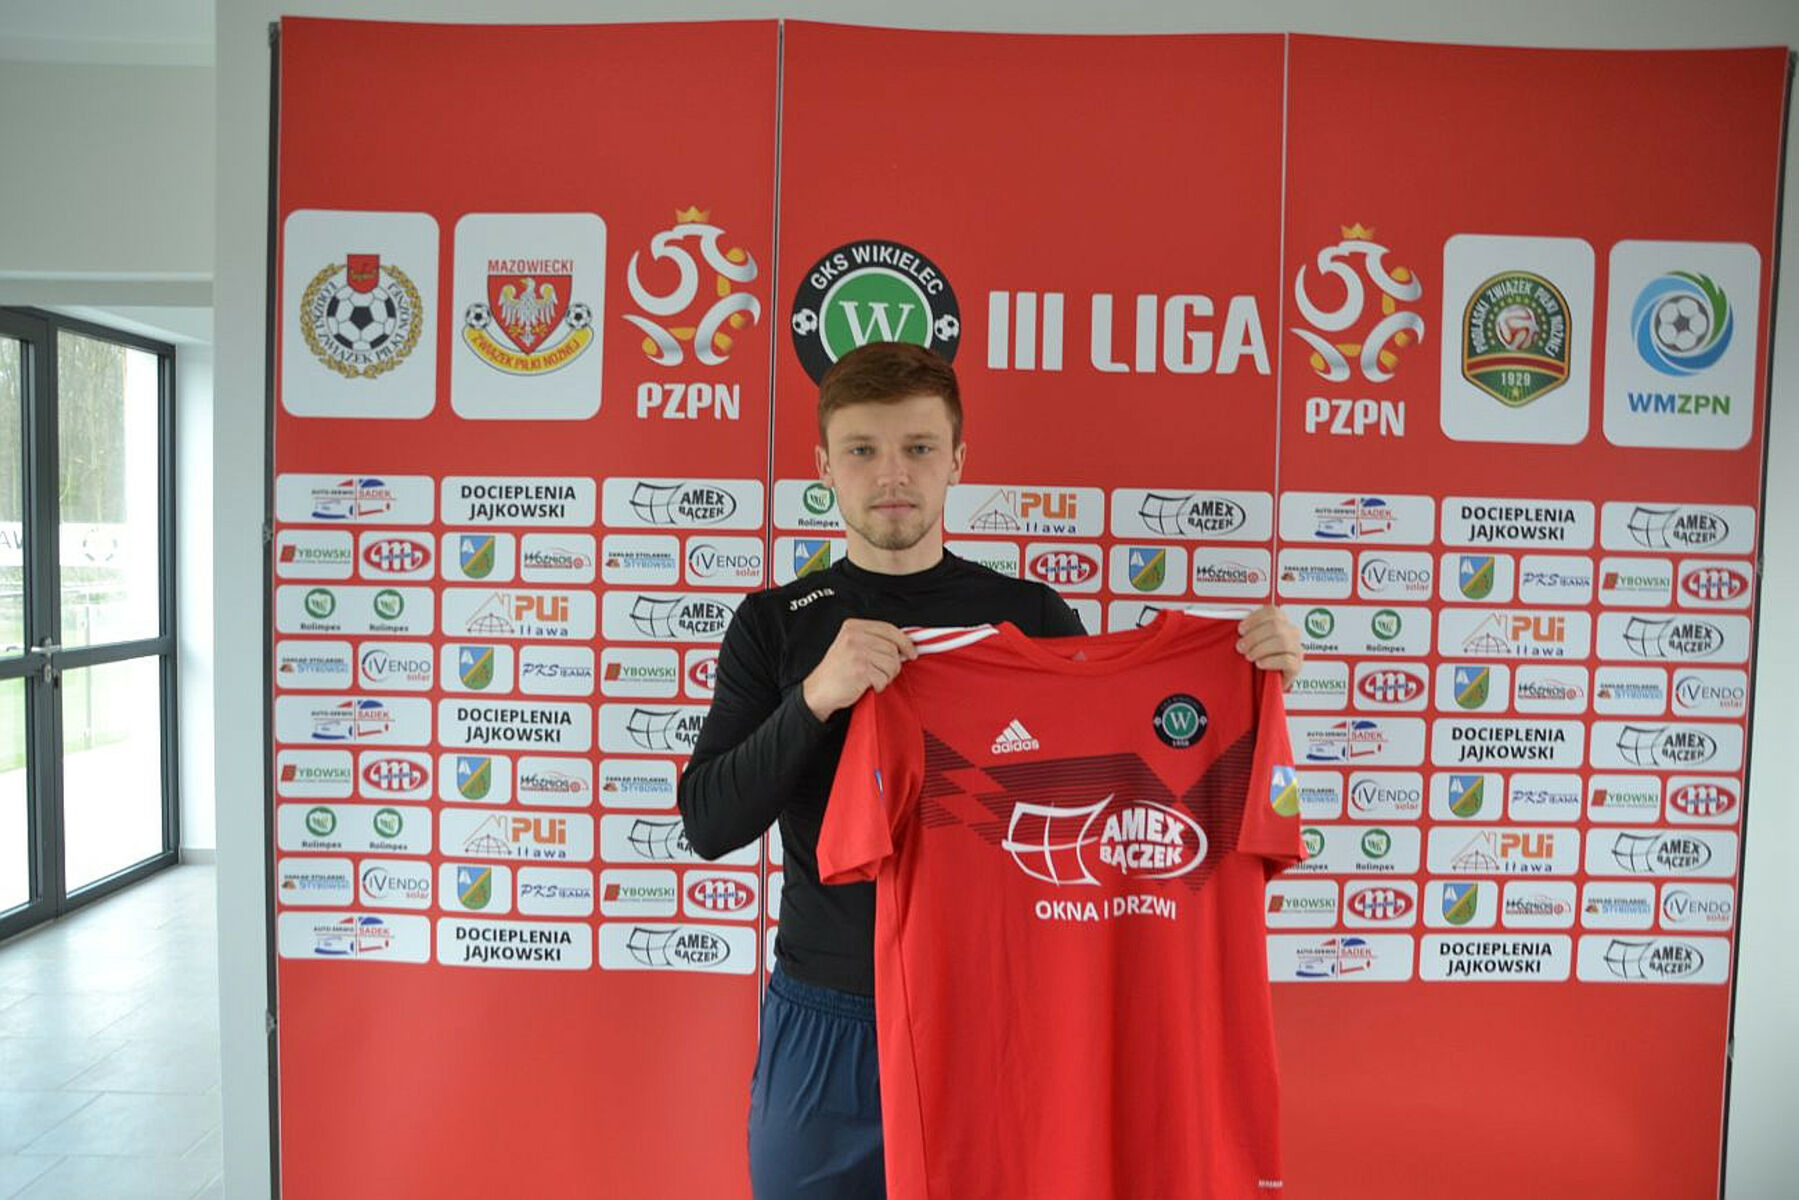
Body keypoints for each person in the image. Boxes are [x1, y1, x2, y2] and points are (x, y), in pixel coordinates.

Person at [677, 341, 1304, 1200]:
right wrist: (816, 698)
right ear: (823, 466)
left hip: (995, 1019)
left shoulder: (1029, 615)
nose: (891, 474)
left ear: (957, 460)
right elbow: (708, 822)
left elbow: (1120, 797)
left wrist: (1249, 689)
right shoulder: (774, 624)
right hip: (831, 1012)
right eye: (862, 449)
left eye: (918, 447)